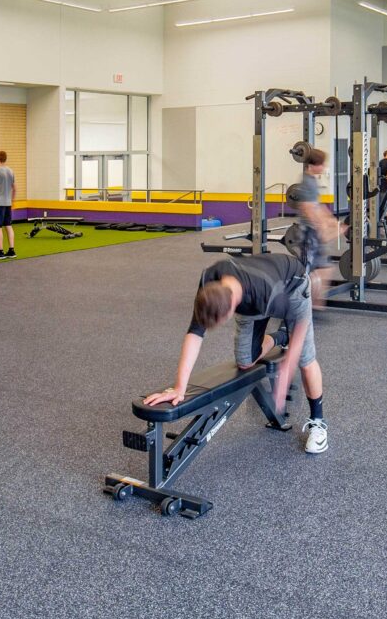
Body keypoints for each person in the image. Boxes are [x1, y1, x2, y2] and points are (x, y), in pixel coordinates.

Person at [143, 251, 327, 454]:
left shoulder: (268, 292)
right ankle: (281, 337)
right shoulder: (209, 279)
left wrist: (285, 376)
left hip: (292, 286)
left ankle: (318, 422)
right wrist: (180, 387)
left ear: (232, 308)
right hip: (255, 292)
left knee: (305, 359)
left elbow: (300, 328)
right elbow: (194, 334)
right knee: (246, 362)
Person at [285, 147, 342, 302]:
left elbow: (317, 205)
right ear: (313, 165)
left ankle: (314, 302)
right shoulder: (307, 182)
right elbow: (308, 208)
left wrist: (331, 220)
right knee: (307, 270)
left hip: (313, 231)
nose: (323, 167)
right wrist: (322, 227)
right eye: (321, 164)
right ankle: (300, 302)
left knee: (324, 268)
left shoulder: (312, 181)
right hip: (308, 232)